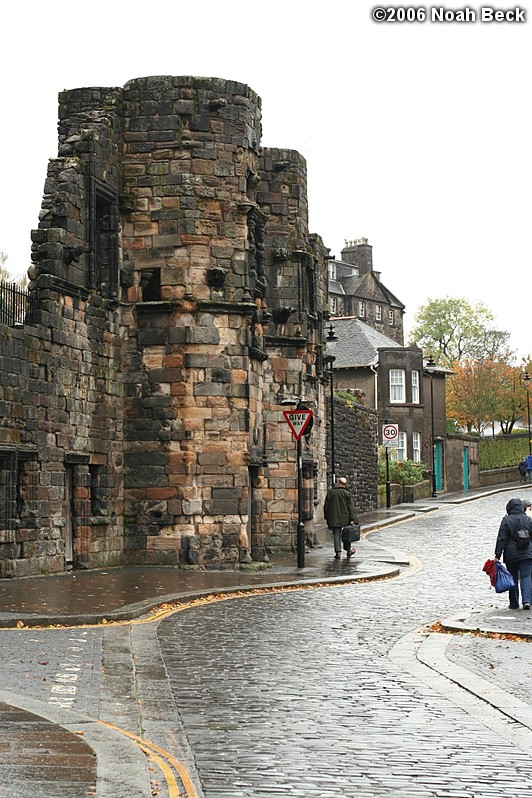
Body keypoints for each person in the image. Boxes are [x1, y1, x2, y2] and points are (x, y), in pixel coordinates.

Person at [494, 497, 532, 610]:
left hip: (511, 554)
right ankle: (527, 601)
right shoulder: (528, 519)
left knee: (513, 577)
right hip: (527, 553)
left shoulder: (506, 521)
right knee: (526, 576)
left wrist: (497, 555)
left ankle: (514, 603)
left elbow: (501, 539)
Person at [323, 477, 358, 559]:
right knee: (347, 534)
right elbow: (350, 507)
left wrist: (326, 516)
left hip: (334, 518)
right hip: (346, 517)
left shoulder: (331, 493)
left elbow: (326, 506)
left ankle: (338, 552)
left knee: (336, 534)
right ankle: (348, 550)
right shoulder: (347, 493)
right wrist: (352, 518)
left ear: (338, 483)